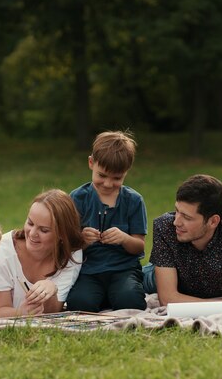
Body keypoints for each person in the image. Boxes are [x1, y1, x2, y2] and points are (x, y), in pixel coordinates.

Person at [144, 174, 222, 312]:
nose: (176, 222)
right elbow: (167, 299)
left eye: (186, 217)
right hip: (163, 275)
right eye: (177, 211)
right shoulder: (165, 227)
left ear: (213, 221)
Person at [66, 130, 148, 312]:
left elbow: (139, 246)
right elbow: (68, 245)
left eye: (117, 178)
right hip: (88, 270)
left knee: (131, 300)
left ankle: (113, 296)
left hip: (124, 269)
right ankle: (105, 296)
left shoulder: (134, 200)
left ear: (126, 172)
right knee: (79, 304)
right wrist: (82, 240)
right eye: (102, 175)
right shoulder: (77, 198)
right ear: (90, 163)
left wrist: (124, 239)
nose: (108, 184)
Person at [0, 189, 85, 317]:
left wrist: (52, 289)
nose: (32, 234)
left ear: (62, 234)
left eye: (44, 230)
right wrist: (20, 313)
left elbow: (52, 312)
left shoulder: (71, 254)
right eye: (30, 223)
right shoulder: (1, 252)